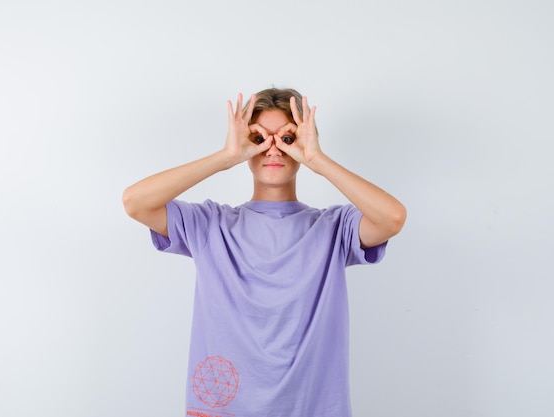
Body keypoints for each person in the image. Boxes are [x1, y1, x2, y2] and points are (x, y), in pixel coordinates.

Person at [123, 88, 406, 417]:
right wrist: (226, 156)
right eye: (259, 137)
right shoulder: (211, 225)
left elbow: (393, 217)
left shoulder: (333, 229)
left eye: (287, 138)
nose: (273, 148)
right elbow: (135, 202)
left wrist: (317, 159)